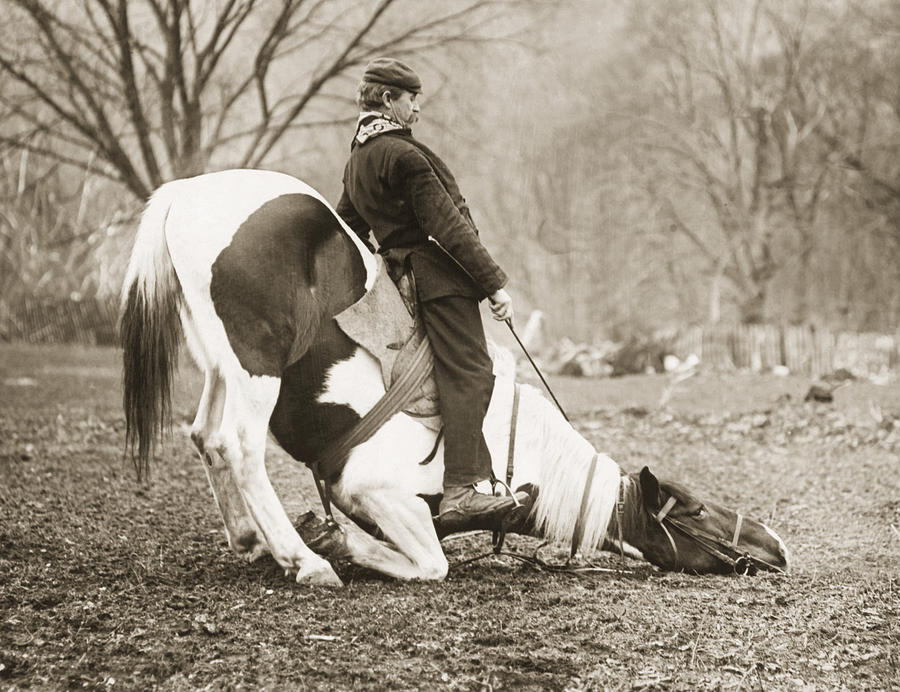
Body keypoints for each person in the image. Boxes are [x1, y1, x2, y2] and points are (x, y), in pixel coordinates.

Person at [335, 57, 526, 529]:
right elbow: (450, 228)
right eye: (411, 99)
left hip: (403, 282)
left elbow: (348, 229)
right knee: (473, 373)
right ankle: (461, 490)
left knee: (448, 377)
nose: (417, 109)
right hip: (440, 281)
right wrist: (493, 284)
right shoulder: (404, 155)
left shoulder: (357, 161)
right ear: (387, 100)